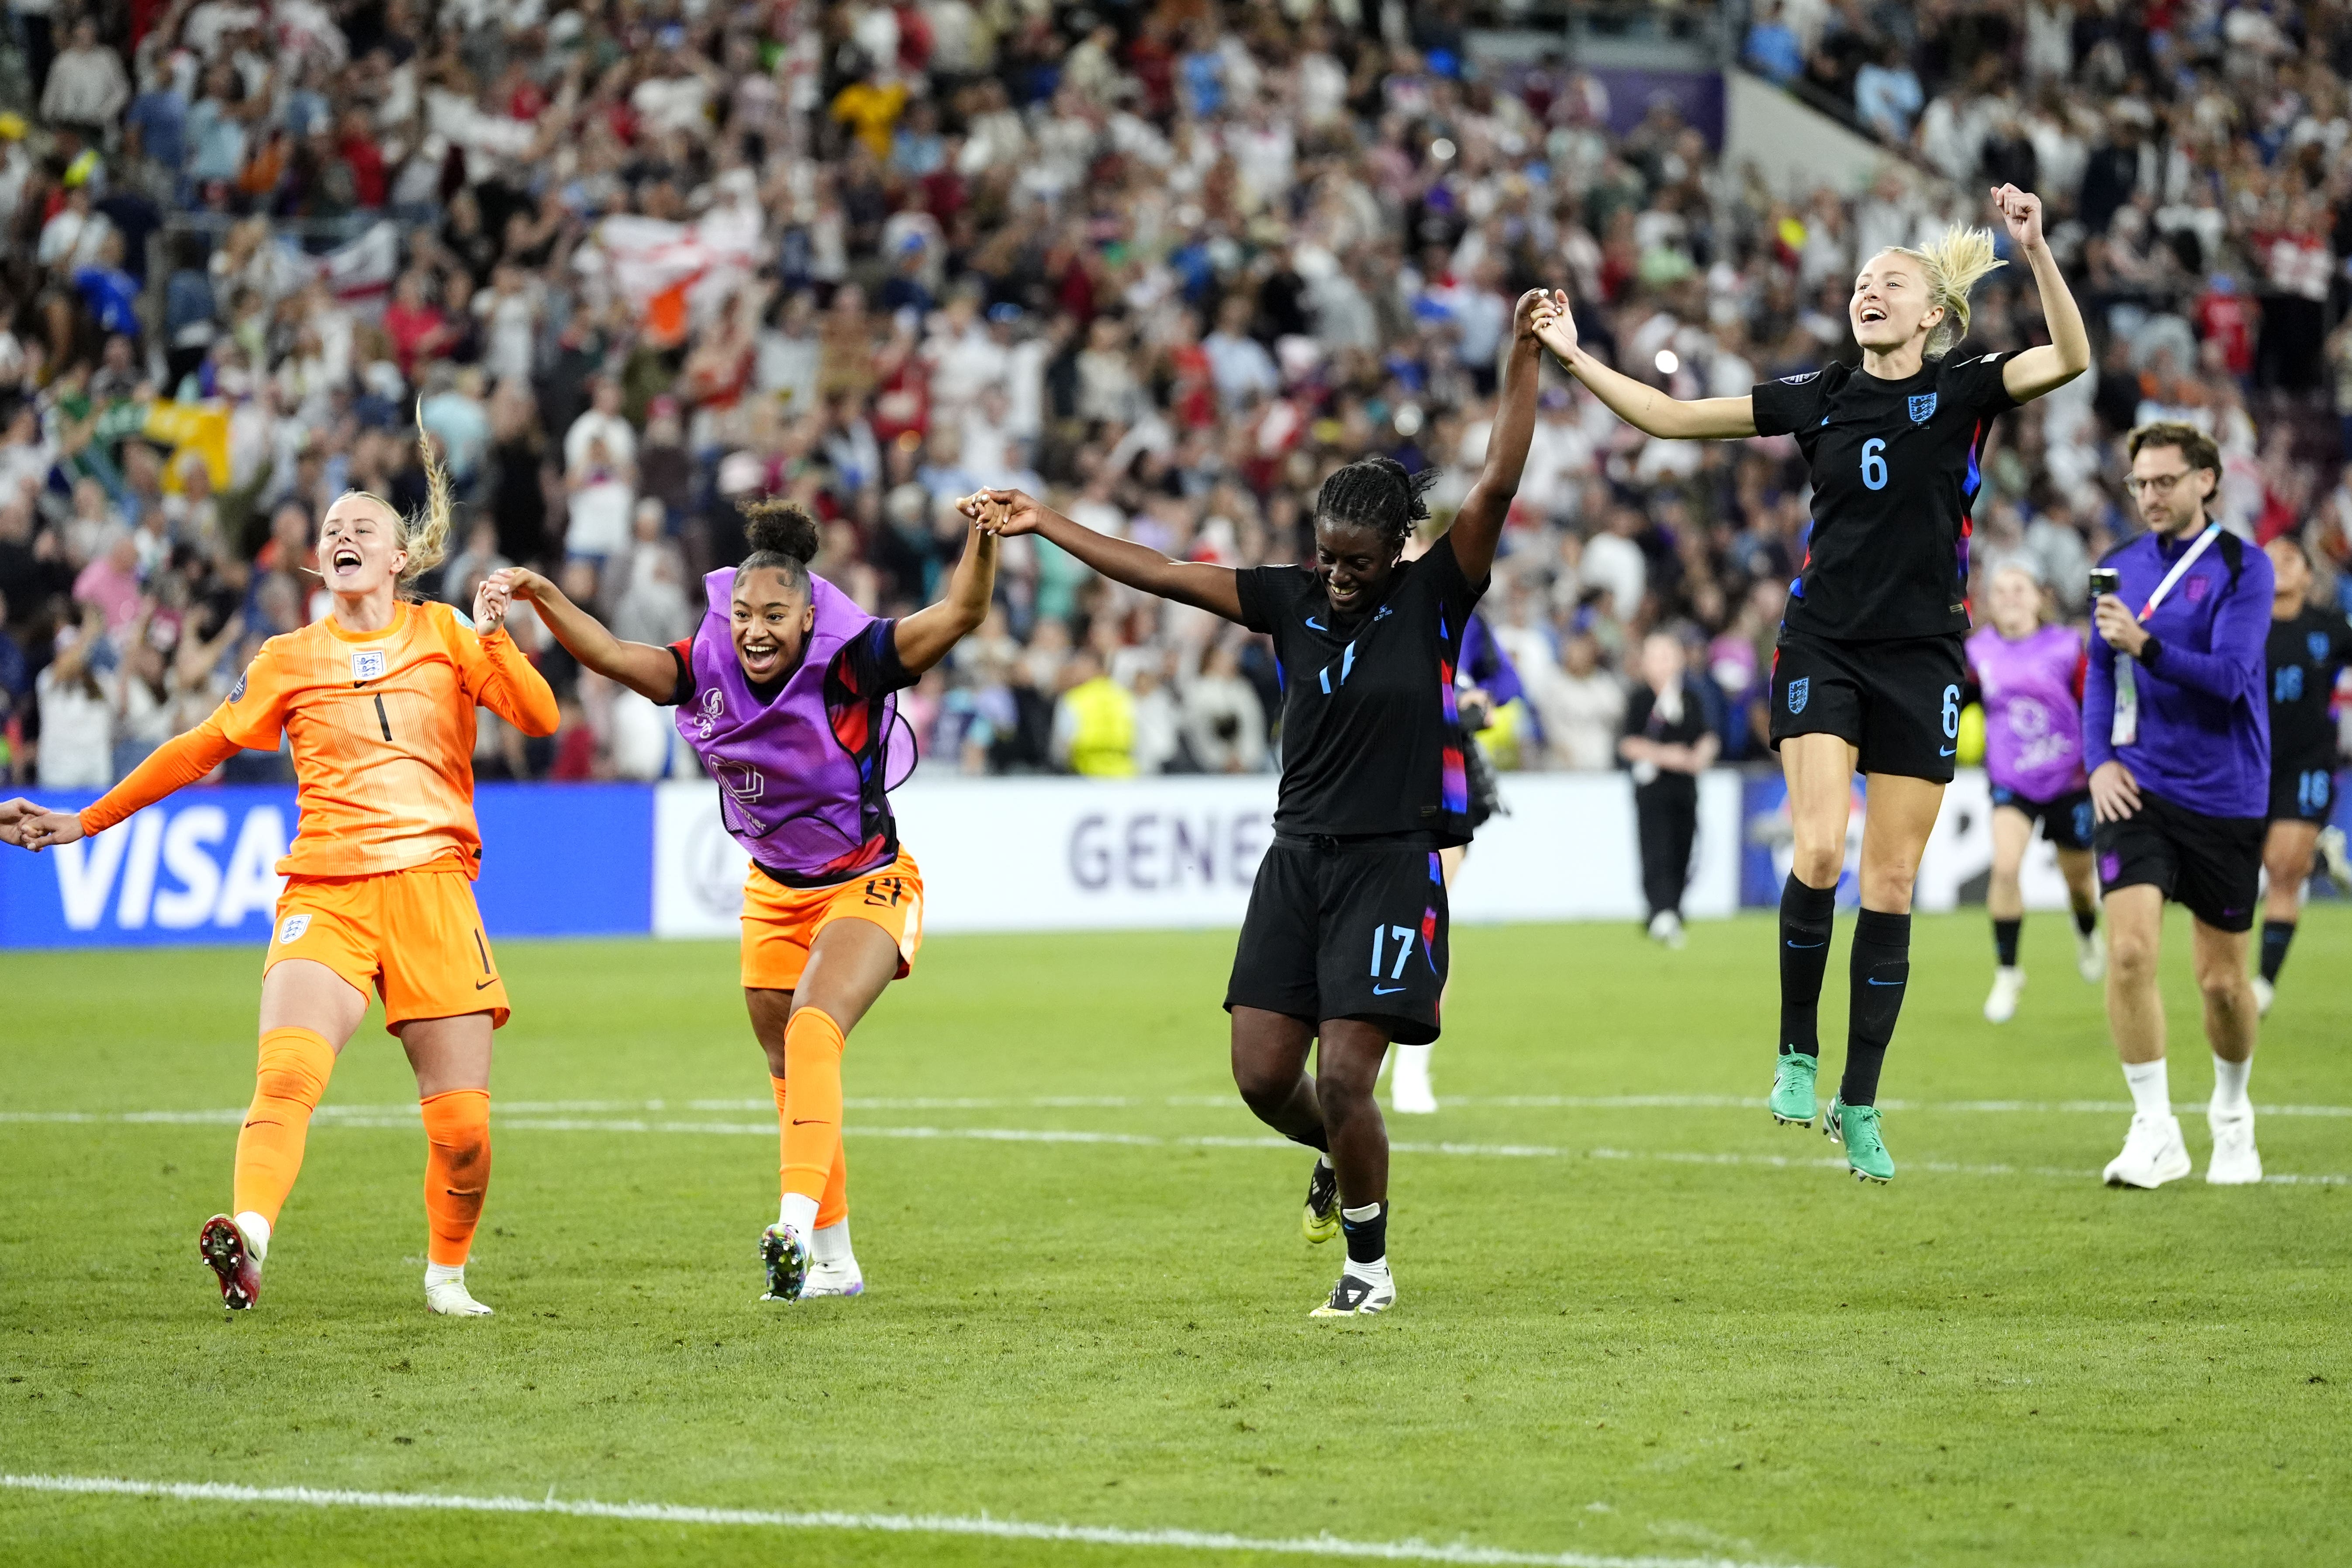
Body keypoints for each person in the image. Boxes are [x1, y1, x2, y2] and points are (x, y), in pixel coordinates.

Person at [961, 289, 1556, 1316]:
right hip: (1295, 863)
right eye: (1327, 554)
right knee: (1261, 1075)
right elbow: (1160, 572)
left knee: (1348, 1075)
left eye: (1357, 561)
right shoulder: (1290, 599)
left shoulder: (1435, 596)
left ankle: (1367, 1268)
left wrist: (1523, 354)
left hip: (1390, 863)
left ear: (1397, 551)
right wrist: (1042, 521)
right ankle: (1338, 1151)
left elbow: (1497, 477)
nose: (1337, 575)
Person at [1535, 187, 2091, 1183]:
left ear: (1933, 313)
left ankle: (1860, 1098)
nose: (1868, 290)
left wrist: (2037, 251)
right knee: (1822, 848)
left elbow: (2070, 357)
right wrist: (1574, 356)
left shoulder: (1965, 387)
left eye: (1892, 282)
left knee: (1892, 883)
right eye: (1862, 281)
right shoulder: (1821, 393)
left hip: (1924, 656)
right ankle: (1797, 1050)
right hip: (1823, 644)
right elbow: (1671, 417)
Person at [0, 437, 558, 1315]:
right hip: (327, 893)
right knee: (288, 1073)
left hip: (434, 891)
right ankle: (249, 1237)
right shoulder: (288, 657)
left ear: (399, 557)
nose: (342, 535)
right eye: (332, 527)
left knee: (462, 1132)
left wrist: (498, 641)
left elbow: (540, 715)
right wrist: (85, 819)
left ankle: (446, 1276)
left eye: (362, 527)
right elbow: (198, 749)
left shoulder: (450, 633)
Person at [491, 497, 998, 1302]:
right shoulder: (705, 666)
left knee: (813, 1027)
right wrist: (545, 595)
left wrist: (982, 535)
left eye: (774, 616)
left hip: (867, 880)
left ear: (808, 618)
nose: (754, 631)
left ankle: (791, 1229)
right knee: (788, 1068)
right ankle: (835, 1262)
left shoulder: (854, 661)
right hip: (772, 892)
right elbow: (615, 656)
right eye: (742, 615)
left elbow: (961, 612)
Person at [2083, 422, 2274, 1188]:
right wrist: (2098, 761)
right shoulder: (2118, 566)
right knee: (2129, 952)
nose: (2150, 496)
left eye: (2165, 481)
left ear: (2206, 481)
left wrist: (2146, 644)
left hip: (2225, 792)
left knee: (2221, 983)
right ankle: (2155, 1127)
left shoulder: (2244, 567)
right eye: (2140, 483)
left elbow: (2230, 679)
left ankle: (2231, 1112)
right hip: (2137, 786)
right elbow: (2099, 673)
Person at [1965, 561, 2104, 1024]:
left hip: (2069, 779)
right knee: (2005, 867)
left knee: (2079, 885)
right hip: (2011, 780)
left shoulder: (2067, 645)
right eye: (2000, 590)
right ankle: (2008, 972)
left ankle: (2086, 931)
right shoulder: (1976, 652)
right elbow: (1956, 700)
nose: (2009, 597)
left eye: (2018, 588)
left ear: (2038, 597)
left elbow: (2093, 702)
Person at [2249, 535, 2352, 1015]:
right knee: (2254, 866)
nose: (2279, 566)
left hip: (2307, 763)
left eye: (2290, 559)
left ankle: (2264, 983)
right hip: (2248, 765)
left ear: (2309, 575)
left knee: (2281, 869)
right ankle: (2320, 857)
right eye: (2269, 559)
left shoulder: (2330, 627)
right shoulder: (2239, 626)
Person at [1619, 632, 1719, 948]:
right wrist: (1667, 756)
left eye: (1667, 657)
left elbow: (1708, 736)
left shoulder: (1691, 698)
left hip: (1685, 789)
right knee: (1656, 849)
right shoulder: (1640, 699)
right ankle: (1659, 910)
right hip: (1652, 790)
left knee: (1682, 849)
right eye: (1655, 657)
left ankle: (1674, 908)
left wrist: (1700, 756)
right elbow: (1628, 744)